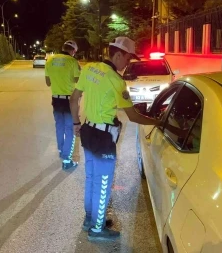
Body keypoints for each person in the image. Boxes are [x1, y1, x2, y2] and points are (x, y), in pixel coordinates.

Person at [69, 36, 162, 242]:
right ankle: (97, 229)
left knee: (91, 179)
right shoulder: (116, 81)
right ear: (118, 54)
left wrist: (76, 123)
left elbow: (74, 98)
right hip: (102, 137)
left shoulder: (90, 69)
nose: (128, 63)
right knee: (103, 183)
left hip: (87, 131)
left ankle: (91, 219)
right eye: (128, 59)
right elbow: (133, 116)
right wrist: (158, 122)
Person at [45, 40, 80, 170]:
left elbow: (48, 82)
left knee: (59, 126)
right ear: (73, 51)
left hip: (56, 100)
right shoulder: (72, 61)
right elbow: (78, 80)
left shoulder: (50, 61)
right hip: (69, 100)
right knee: (70, 129)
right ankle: (67, 160)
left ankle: (61, 150)